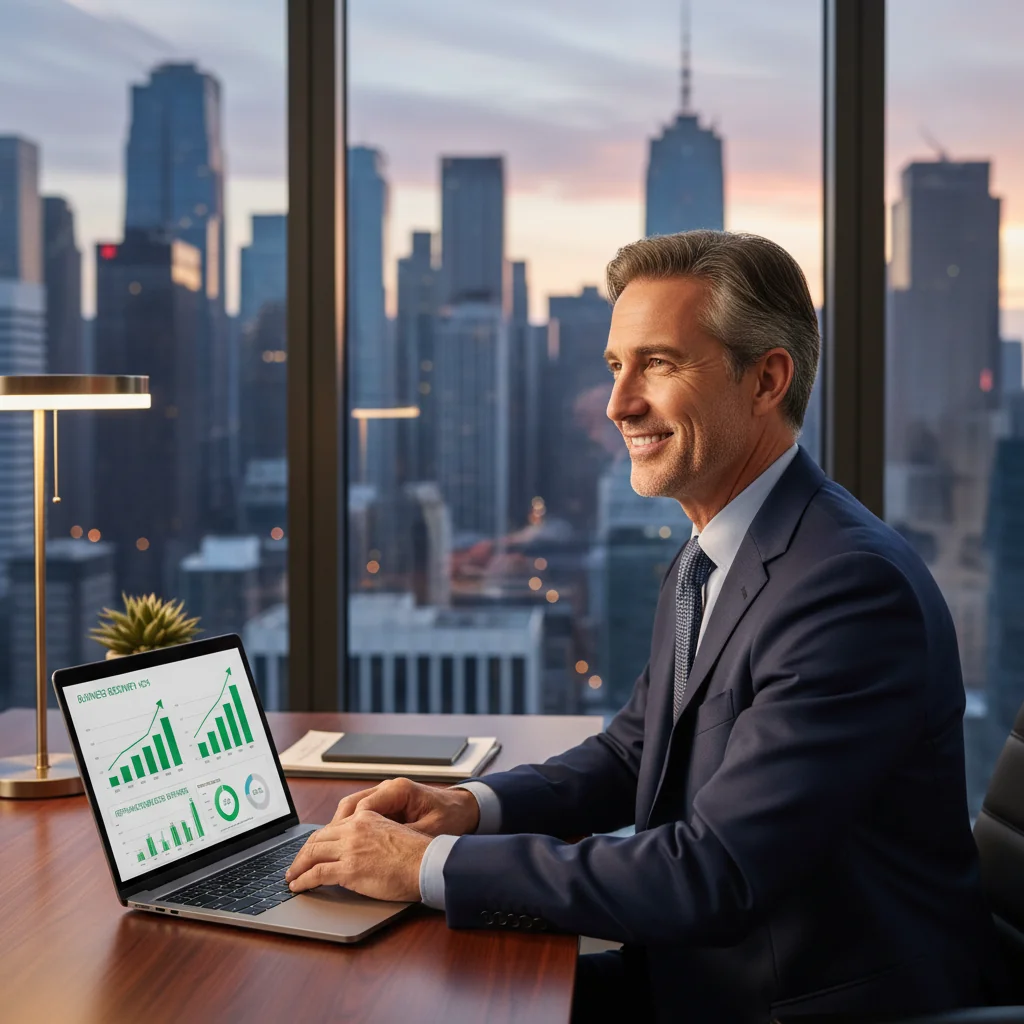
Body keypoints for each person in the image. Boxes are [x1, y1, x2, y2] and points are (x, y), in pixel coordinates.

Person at [285, 231, 1005, 1022]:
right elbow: (637, 753)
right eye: (615, 365)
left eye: (658, 364)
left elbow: (712, 874)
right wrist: (471, 808)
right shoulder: (718, 549)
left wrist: (431, 867)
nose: (619, 402)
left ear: (766, 379)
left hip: (795, 1004)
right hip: (698, 975)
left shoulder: (846, 588)